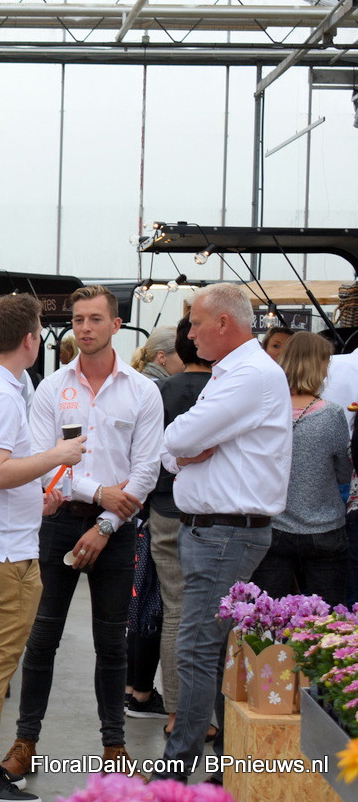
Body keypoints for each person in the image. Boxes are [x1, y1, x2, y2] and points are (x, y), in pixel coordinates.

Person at [0, 285, 163, 785]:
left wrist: (106, 523)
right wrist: (100, 494)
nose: (85, 328)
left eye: (95, 319)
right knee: (42, 639)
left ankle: (115, 747)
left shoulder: (143, 391)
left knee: (112, 643)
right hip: (58, 523)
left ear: (116, 325)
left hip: (117, 529)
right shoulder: (51, 388)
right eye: (78, 319)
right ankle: (25, 743)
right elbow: (44, 462)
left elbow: (146, 470)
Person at [0, 293, 86, 802]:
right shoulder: (1, 394)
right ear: (30, 341)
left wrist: (35, 499)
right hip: (1, 552)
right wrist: (57, 454)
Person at [153, 283, 291, 784]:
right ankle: (223, 766)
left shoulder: (249, 375)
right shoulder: (234, 372)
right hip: (216, 532)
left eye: (195, 324)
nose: (189, 335)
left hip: (225, 533)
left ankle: (177, 769)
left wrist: (182, 450)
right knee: (209, 649)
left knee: (195, 648)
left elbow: (179, 436)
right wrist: (182, 452)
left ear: (223, 324)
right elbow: (175, 448)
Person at [249, 331, 351, 605]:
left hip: (272, 526)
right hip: (324, 529)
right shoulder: (331, 414)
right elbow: (344, 473)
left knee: (269, 617)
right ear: (318, 366)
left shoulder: (264, 410)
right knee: (326, 618)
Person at [147, 316, 212, 740]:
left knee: (175, 609)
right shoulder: (224, 389)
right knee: (211, 615)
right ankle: (206, 713)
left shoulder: (161, 391)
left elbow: (149, 451)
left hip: (165, 508)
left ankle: (175, 711)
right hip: (211, 510)